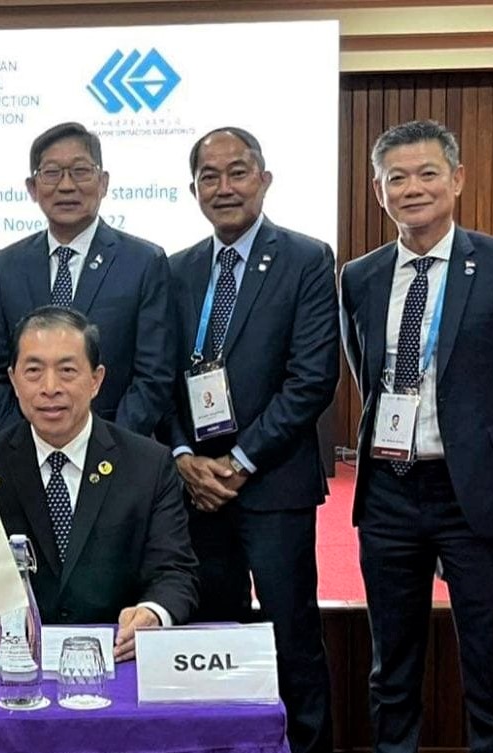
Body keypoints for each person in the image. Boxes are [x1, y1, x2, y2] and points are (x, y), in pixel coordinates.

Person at [340, 120, 493, 753]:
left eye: (428, 173)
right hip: (389, 490)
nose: (413, 188)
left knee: (489, 659)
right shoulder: (360, 275)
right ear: (378, 191)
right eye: (397, 178)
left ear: (457, 179)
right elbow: (366, 371)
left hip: (472, 494)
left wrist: (490, 453)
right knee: (391, 662)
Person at [159, 127, 340, 753]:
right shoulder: (175, 269)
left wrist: (238, 461)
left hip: (273, 483)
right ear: (193, 190)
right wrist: (183, 456)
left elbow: (311, 379)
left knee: (293, 637)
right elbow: (160, 375)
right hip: (194, 491)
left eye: (237, 172)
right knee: (209, 634)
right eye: (208, 176)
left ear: (263, 179)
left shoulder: (306, 258)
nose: (224, 187)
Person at [0, 306, 197, 662]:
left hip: (118, 660)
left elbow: (175, 572)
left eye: (67, 371)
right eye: (33, 371)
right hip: (8, 664)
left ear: (96, 380)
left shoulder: (149, 465)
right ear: (13, 380)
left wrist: (154, 612)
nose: (50, 388)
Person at [0, 122, 173, 436]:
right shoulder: (9, 264)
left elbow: (153, 376)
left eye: (81, 171)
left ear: (103, 182)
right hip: (27, 451)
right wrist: (24, 445)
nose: (67, 186)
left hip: (116, 448)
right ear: (32, 187)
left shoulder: (143, 261)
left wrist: (104, 445)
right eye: (52, 173)